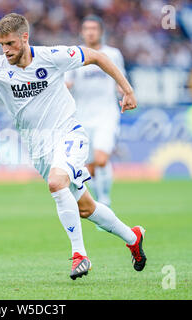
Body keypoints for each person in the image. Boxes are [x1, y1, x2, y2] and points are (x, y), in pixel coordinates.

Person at [0, 13, 146, 280]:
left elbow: (98, 56)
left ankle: (80, 255)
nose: (5, 50)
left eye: (10, 43)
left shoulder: (51, 56)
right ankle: (133, 237)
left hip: (69, 134)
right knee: (86, 208)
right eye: (1, 44)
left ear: (25, 37)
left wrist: (127, 90)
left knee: (57, 183)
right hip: (39, 148)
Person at [65, 15, 125, 207]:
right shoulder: (74, 55)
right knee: (88, 166)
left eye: (94, 28)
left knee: (101, 159)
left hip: (106, 114)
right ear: (82, 32)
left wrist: (125, 93)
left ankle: (105, 200)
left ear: (101, 31)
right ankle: (99, 202)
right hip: (81, 116)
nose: (90, 32)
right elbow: (67, 84)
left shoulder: (113, 54)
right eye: (86, 28)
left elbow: (120, 80)